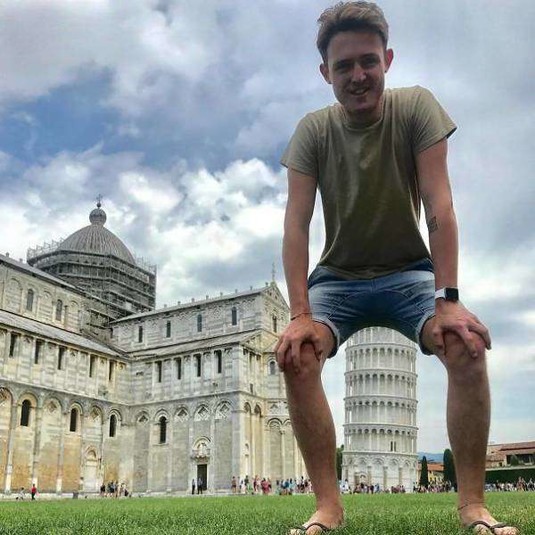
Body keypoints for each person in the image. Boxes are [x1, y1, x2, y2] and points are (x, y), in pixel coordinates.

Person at [275, 2, 517, 534]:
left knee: (465, 344)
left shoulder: (416, 108)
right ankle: (328, 507)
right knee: (298, 354)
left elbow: (439, 205)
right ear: (325, 73)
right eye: (344, 66)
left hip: (409, 272)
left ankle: (473, 506)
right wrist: (299, 314)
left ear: (387, 60)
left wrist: (448, 300)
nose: (358, 75)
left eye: (368, 61)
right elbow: (296, 226)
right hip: (337, 278)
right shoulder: (312, 131)